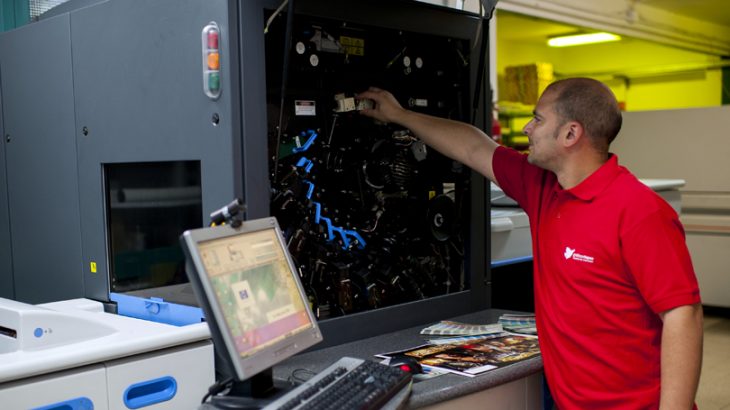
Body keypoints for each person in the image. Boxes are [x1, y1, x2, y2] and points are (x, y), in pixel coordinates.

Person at [358, 78, 703, 409]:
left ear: (570, 133)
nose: (527, 128)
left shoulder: (639, 211)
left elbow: (682, 316)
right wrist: (400, 115)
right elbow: (473, 147)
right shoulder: (541, 186)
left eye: (538, 119)